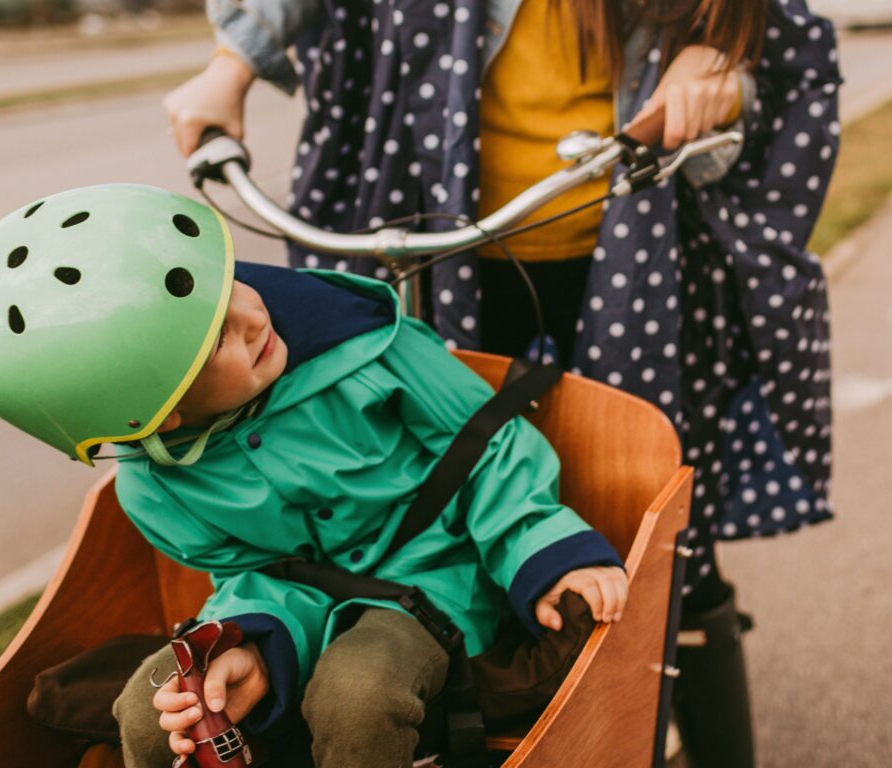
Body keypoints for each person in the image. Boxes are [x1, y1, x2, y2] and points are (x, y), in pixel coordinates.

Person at [163, 2, 841, 765]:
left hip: (629, 253)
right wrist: (230, 66)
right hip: (442, 239)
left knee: (656, 522)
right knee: (417, 488)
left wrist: (719, 64)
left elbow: (785, 59)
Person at [0, 183, 628, 768]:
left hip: (435, 575)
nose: (252, 315)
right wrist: (247, 643)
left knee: (359, 697)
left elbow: (487, 447)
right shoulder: (156, 487)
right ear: (161, 415)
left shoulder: (368, 350)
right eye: (214, 338)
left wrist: (547, 551)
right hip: (296, 598)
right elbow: (253, 572)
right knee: (155, 712)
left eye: (230, 284)